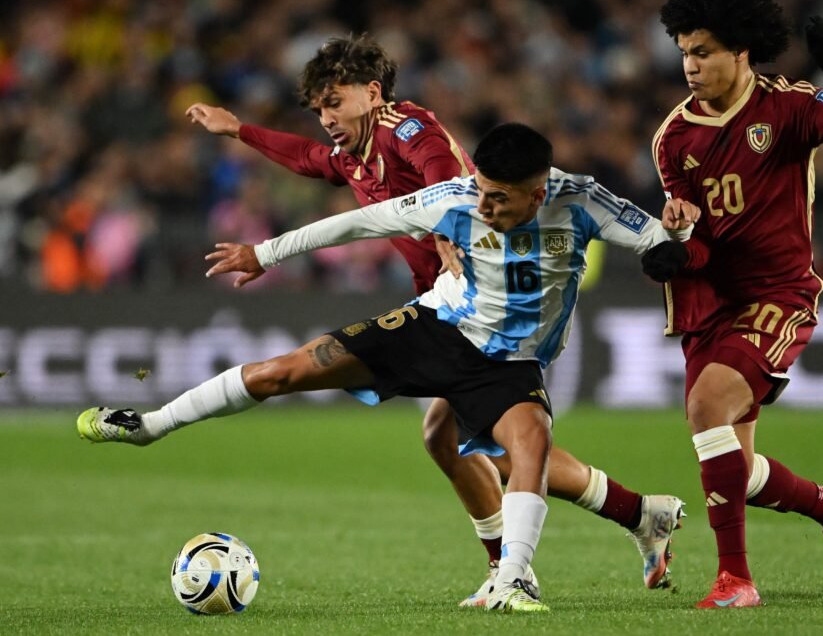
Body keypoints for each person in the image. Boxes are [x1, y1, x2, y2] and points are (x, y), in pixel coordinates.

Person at [78, 123, 699, 612]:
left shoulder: (581, 201)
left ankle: (515, 578)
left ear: (539, 193)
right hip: (436, 326)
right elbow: (357, 222)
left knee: (523, 445)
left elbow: (657, 238)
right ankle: (152, 423)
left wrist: (671, 248)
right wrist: (264, 252)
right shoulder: (455, 199)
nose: (483, 207)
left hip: (508, 360)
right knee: (284, 372)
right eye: (480, 190)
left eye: (500, 199)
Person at [182, 36, 685, 604]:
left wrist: (447, 230)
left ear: (372, 93)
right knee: (450, 440)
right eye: (318, 109)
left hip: (477, 306)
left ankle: (582, 538)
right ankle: (630, 519)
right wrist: (240, 130)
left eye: (334, 103)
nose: (326, 119)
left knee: (496, 446)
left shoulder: (407, 127)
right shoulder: (355, 150)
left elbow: (442, 172)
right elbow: (310, 160)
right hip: (445, 304)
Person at [641, 0, 823, 608]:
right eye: (683, 52)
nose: (690, 65)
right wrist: (676, 255)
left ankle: (735, 581)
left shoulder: (788, 108)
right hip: (709, 302)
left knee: (704, 412)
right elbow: (699, 239)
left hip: (777, 296)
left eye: (703, 51)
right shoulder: (674, 138)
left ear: (741, 51)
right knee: (739, 468)